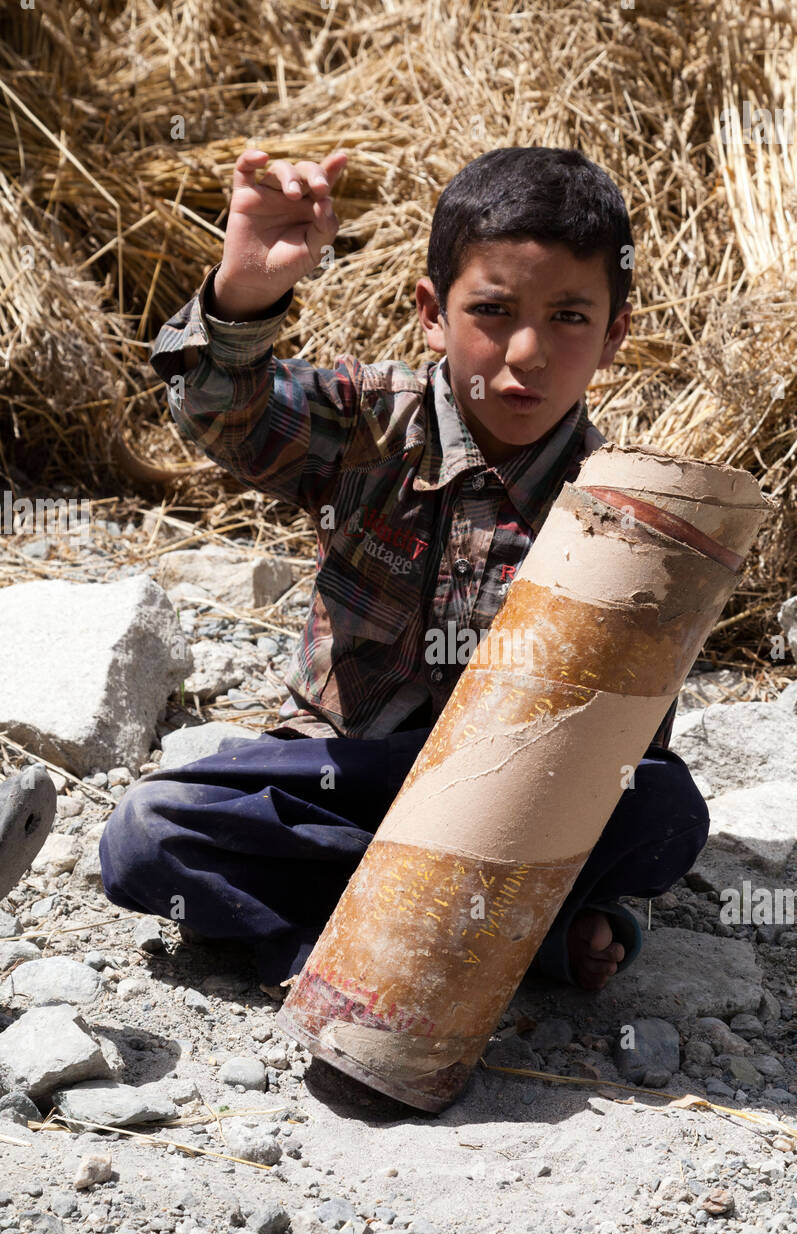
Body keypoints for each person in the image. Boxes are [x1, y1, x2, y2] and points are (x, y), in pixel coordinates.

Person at [99, 145, 709, 997]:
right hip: (340, 775)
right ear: (432, 311)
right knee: (145, 835)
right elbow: (224, 412)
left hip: (503, 810)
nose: (526, 351)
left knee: (663, 807)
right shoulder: (367, 421)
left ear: (615, 335)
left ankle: (393, 918)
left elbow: (627, 739)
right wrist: (247, 289)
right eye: (492, 309)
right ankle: (487, 934)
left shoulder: (625, 518)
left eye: (569, 317)